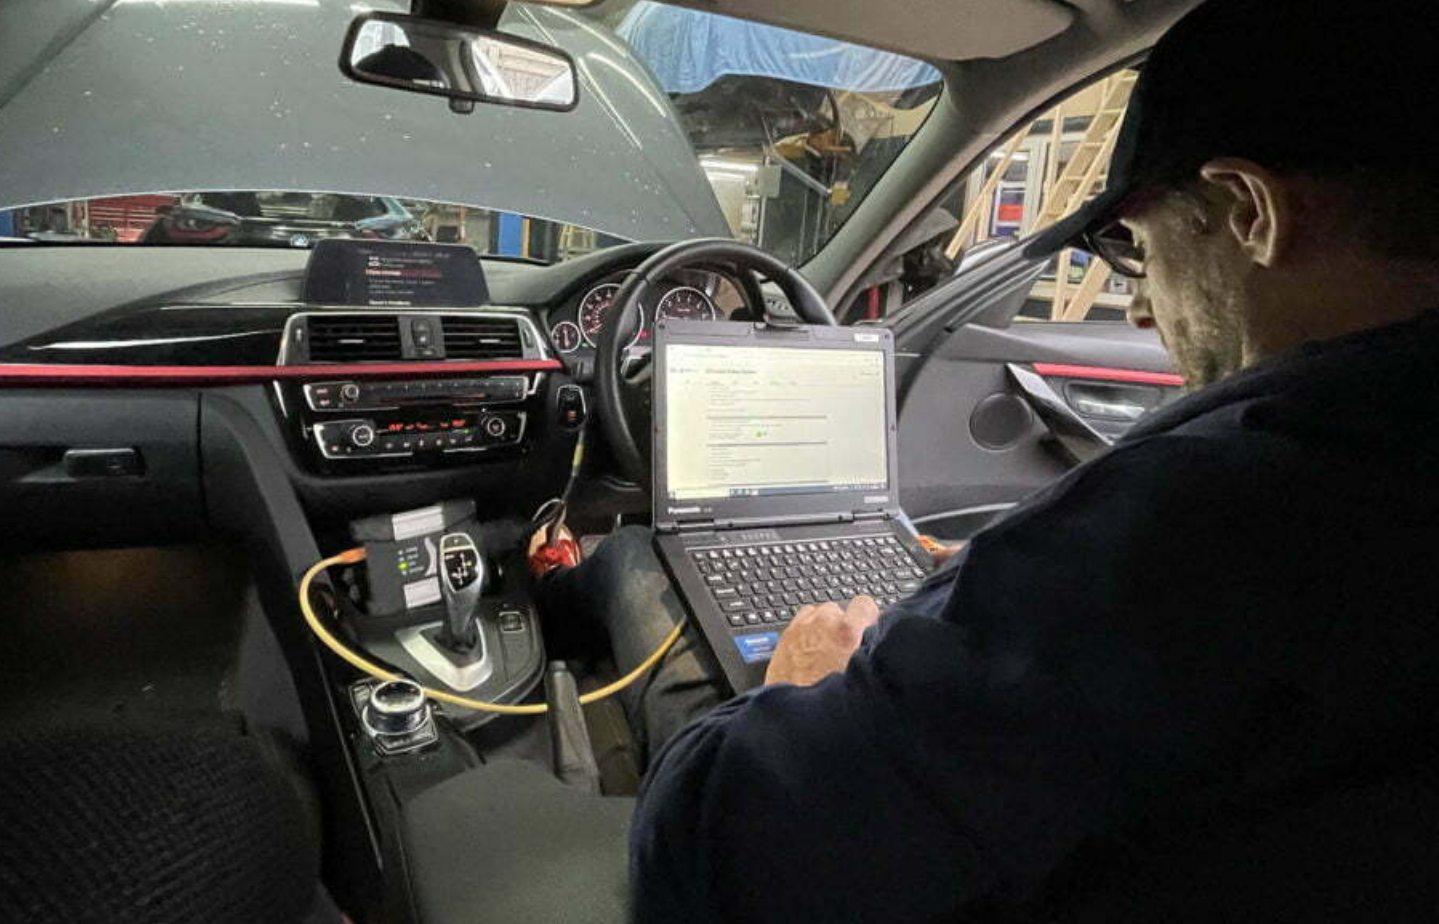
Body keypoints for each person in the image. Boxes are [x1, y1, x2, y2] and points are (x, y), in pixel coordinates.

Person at [537, 0, 1439, 919]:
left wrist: (807, 682)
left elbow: (718, 853)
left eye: (1136, 248)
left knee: (634, 565)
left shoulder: (1220, 516)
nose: (1137, 310)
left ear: (1250, 212)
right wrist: (987, 589)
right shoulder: (1371, 468)